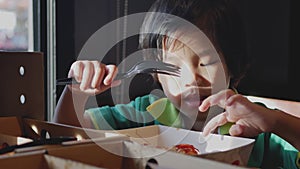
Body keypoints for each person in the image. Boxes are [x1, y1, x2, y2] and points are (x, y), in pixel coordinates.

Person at [54, 0, 249, 131]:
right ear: (158, 74)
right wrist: (76, 93)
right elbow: (68, 136)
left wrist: (275, 123)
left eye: (206, 63)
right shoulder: (147, 112)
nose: (191, 81)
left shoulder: (254, 122)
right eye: (172, 67)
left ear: (232, 64)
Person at [199, 89, 300, 169]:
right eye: (181, 69)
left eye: (206, 65)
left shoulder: (264, 127)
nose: (194, 80)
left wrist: (276, 122)